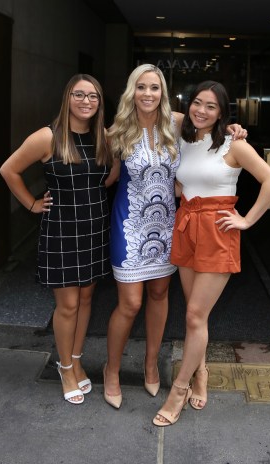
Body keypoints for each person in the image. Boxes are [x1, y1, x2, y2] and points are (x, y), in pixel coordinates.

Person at [103, 64, 246, 409]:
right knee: (130, 302)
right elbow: (106, 177)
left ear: (163, 93)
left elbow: (208, 120)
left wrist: (234, 129)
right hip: (129, 224)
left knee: (159, 291)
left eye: (155, 88)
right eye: (141, 87)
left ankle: (152, 364)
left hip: (168, 223)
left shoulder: (177, 122)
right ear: (131, 92)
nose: (148, 94)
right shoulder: (115, 132)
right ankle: (112, 370)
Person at [152, 80, 270, 426]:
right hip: (186, 227)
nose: (202, 110)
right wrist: (181, 187)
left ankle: (179, 388)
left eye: (211, 106)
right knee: (198, 315)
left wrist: (246, 221)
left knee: (194, 315)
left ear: (223, 112)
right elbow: (158, 107)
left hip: (217, 231)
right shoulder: (184, 135)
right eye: (197, 103)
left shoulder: (234, 144)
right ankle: (202, 371)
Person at [0, 74, 113, 405]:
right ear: (68, 98)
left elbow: (111, 174)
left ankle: (76, 361)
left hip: (94, 227)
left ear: (99, 103)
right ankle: (65, 368)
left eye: (93, 96)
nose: (86, 101)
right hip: (61, 230)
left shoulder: (103, 137)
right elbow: (9, 170)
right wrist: (33, 203)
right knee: (68, 304)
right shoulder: (48, 137)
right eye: (79, 95)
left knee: (88, 299)